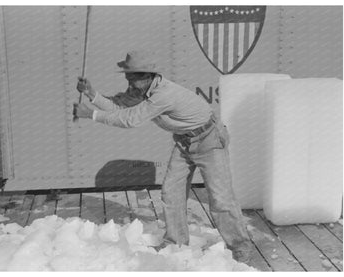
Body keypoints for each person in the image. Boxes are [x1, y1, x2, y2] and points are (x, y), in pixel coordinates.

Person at [74, 50, 253, 263]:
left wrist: (90, 114)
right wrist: (91, 94)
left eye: (133, 78)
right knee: (171, 193)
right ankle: (175, 242)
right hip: (185, 141)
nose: (129, 84)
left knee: (221, 199)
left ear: (148, 76)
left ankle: (240, 247)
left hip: (209, 140)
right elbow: (118, 107)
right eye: (127, 78)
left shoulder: (163, 94)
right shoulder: (140, 90)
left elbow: (129, 119)